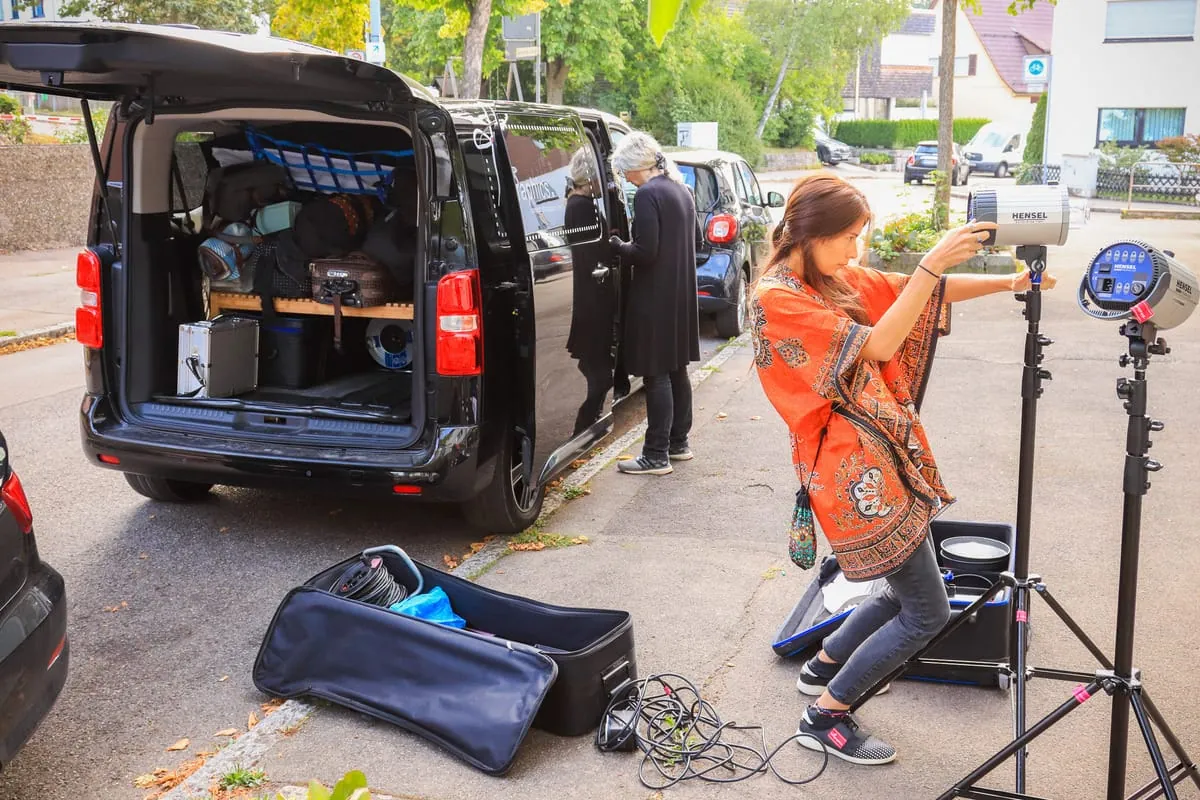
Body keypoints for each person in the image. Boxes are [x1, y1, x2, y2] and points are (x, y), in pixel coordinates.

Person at [751, 174, 1055, 765]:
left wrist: (1009, 282)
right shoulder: (777, 297)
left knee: (903, 586)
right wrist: (932, 264)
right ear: (808, 233)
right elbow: (882, 343)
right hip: (853, 478)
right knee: (926, 610)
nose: (854, 251)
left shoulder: (825, 279)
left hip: (880, 460)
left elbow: (909, 292)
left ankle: (823, 666)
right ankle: (828, 714)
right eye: (846, 237)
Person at [608, 132, 701, 476]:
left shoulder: (647, 194)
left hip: (655, 295)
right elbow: (696, 239)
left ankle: (655, 455)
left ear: (638, 166)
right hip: (680, 293)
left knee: (656, 375)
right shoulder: (680, 189)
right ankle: (679, 443)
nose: (626, 179)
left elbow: (645, 253)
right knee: (677, 370)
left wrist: (617, 245)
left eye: (625, 171)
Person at [564, 148, 618, 436]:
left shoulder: (578, 204)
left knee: (597, 367)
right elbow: (589, 254)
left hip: (589, 293)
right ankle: (585, 425)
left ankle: (589, 420)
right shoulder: (581, 207)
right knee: (598, 371)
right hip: (592, 295)